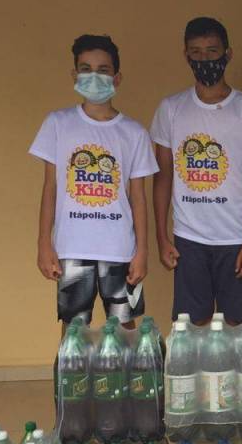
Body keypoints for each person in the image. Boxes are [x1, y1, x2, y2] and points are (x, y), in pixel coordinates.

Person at [30, 34, 158, 331]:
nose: (94, 76)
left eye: (103, 70)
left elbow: (138, 197)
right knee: (74, 329)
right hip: (72, 247)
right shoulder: (58, 124)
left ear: (117, 77)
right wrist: (44, 243)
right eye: (86, 69)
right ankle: (73, 368)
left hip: (120, 248)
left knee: (126, 327)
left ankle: (128, 367)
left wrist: (142, 251)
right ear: (74, 75)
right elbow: (50, 188)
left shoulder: (134, 133)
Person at [151, 17, 242, 326]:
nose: (204, 59)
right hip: (189, 238)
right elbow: (163, 177)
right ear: (186, 55)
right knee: (191, 329)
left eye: (212, 51)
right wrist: (162, 237)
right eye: (196, 52)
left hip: (236, 238)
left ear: (228, 54)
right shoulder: (171, 108)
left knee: (241, 329)